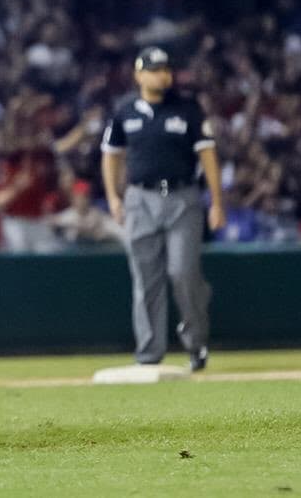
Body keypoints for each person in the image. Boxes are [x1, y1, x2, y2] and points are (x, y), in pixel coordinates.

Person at [100, 47, 226, 371]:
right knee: (145, 278)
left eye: (166, 69)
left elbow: (208, 154)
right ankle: (149, 353)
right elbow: (111, 155)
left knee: (183, 272)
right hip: (140, 198)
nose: (163, 75)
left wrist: (216, 201)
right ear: (139, 74)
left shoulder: (187, 109)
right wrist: (113, 197)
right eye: (155, 69)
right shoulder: (124, 112)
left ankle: (195, 340)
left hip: (182, 197)